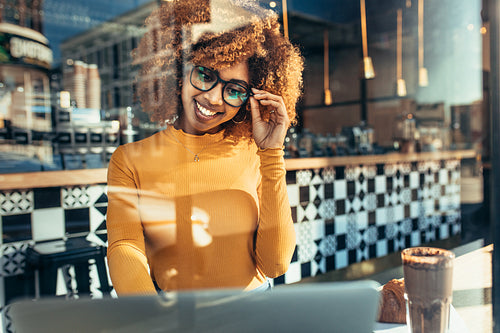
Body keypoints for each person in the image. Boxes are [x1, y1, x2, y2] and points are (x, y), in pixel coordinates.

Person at [106, 0, 304, 295]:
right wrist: (151, 319)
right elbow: (125, 247)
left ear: (251, 99)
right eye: (205, 75)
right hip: (175, 317)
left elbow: (276, 265)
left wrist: (272, 154)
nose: (213, 98)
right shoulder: (129, 160)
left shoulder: (255, 152)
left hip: (255, 313)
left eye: (235, 90)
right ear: (178, 70)